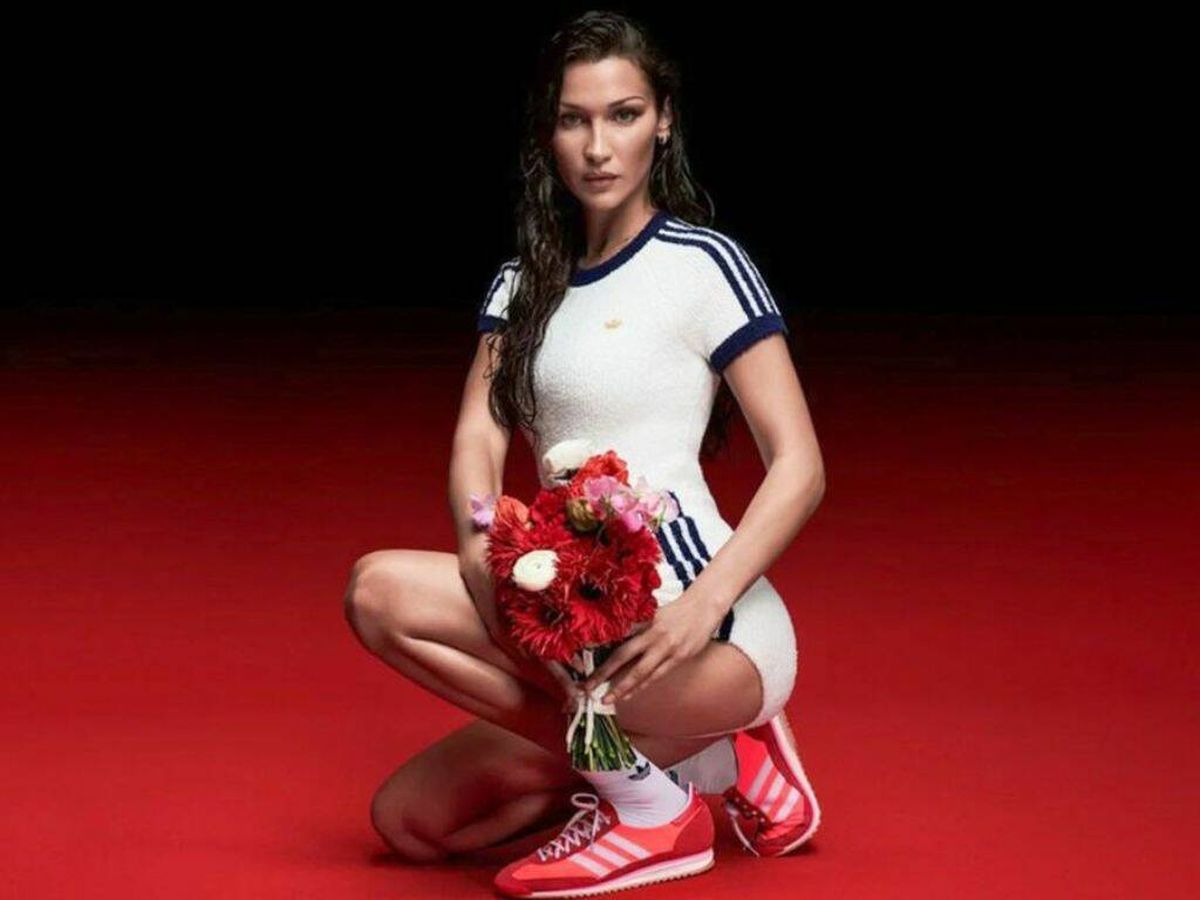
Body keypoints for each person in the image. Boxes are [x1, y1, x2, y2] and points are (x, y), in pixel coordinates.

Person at [343, 10, 825, 895]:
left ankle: (676, 785)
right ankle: (689, 767)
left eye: (624, 115)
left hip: (697, 630)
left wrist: (702, 606)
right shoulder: (521, 282)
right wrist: (479, 555)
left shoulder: (702, 264)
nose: (599, 147)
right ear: (548, 133)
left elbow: (799, 463)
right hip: (567, 618)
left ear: (664, 120)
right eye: (575, 120)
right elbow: (478, 432)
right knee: (410, 821)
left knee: (385, 593)